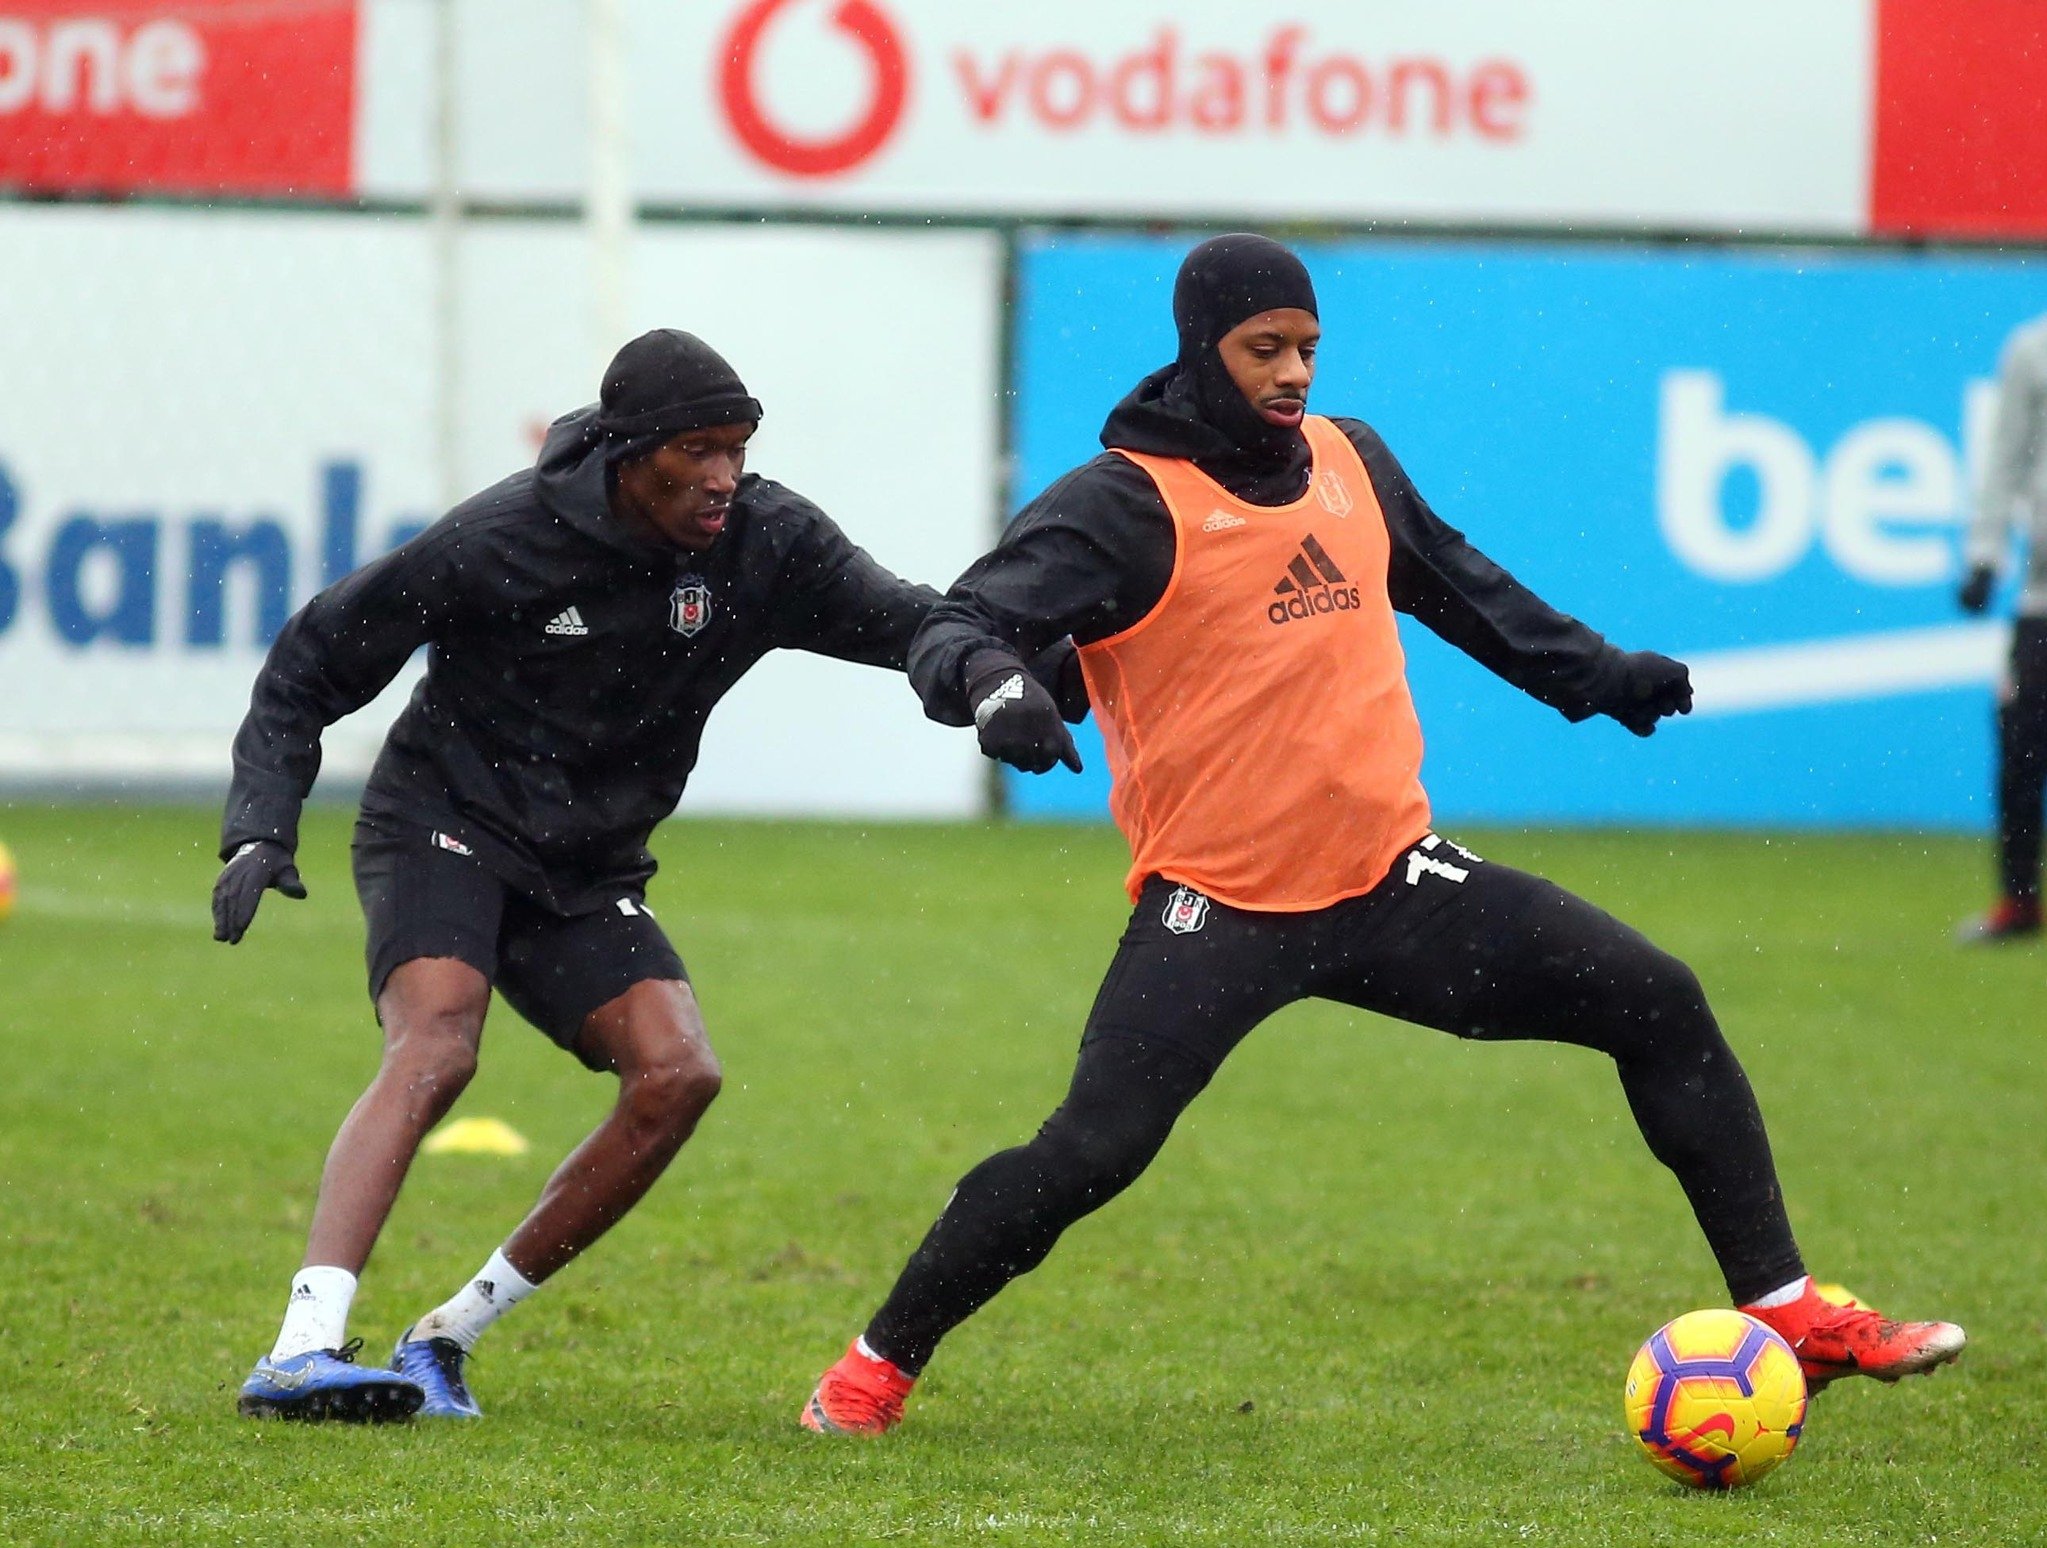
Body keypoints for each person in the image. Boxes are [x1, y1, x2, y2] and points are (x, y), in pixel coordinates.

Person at [800, 236, 1967, 1436]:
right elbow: (962, 620)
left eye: (1306, 346)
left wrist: (1599, 677)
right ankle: (875, 1366)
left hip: (1395, 884)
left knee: (1656, 999)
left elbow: (1460, 584)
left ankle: (1785, 1310)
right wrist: (998, 688)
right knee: (1093, 1148)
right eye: (1264, 349)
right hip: (1220, 909)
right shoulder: (1121, 503)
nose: (1293, 372)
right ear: (1200, 350)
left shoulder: (1348, 458)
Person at [218, 329, 1078, 1423]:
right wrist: (259, 825)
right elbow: (312, 659)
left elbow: (912, 619)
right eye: (698, 451)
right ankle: (301, 1346)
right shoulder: (501, 538)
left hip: (586, 865)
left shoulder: (765, 543)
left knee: (677, 1075)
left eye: (738, 449)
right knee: (438, 1043)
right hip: (443, 822)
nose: (724, 476)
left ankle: (444, 1339)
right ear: (630, 454)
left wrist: (1002, 676)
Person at [1956, 310, 2047, 942]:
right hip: (2042, 596)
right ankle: (2019, 900)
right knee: (2022, 747)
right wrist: (1984, 553)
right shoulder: (2033, 348)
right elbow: (2006, 458)